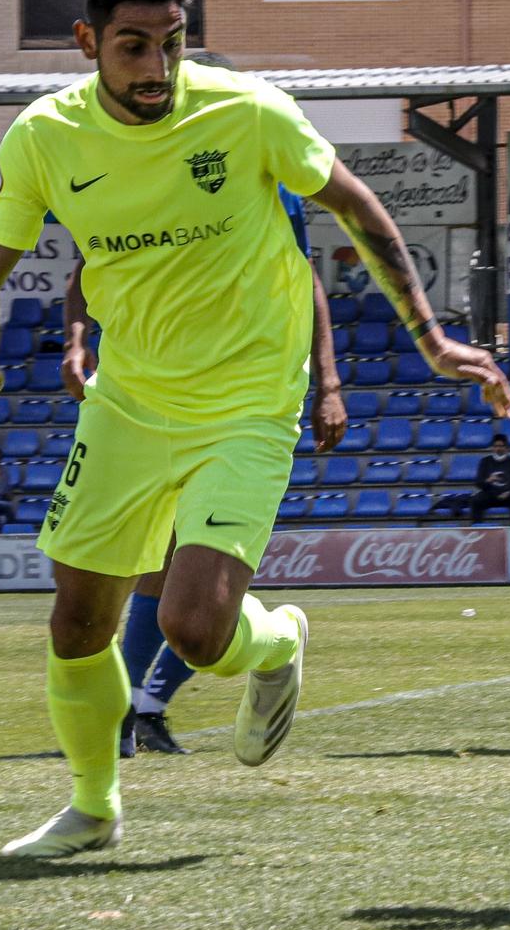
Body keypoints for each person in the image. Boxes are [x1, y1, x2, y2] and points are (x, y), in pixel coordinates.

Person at [0, 0, 510, 858]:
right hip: (128, 404)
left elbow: (361, 209)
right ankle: (94, 807)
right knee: (77, 620)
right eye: (131, 47)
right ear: (88, 42)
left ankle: (277, 642)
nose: (155, 70)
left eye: (171, 44)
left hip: (251, 398)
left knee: (195, 629)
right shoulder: (42, 140)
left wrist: (433, 339)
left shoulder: (247, 111)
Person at [88, 184, 346, 758]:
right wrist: (74, 342)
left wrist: (329, 381)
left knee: (200, 592)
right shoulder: (143, 165)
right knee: (158, 569)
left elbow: (305, 280)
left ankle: (145, 704)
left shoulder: (269, 179)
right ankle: (134, 707)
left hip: (246, 409)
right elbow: (91, 264)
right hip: (161, 400)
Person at [469, 433, 510, 523]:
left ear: (506, 447)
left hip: (508, 495)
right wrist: (488, 480)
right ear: (492, 447)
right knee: (475, 500)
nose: (498, 448)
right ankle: (478, 529)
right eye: (496, 446)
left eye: (501, 446)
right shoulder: (485, 461)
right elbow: (478, 483)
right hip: (490, 495)